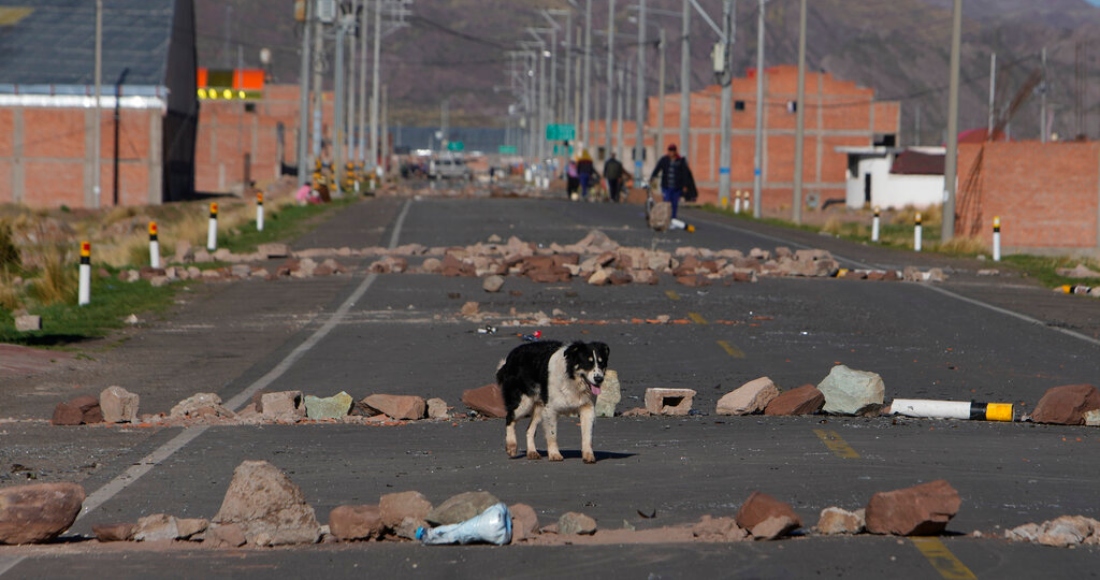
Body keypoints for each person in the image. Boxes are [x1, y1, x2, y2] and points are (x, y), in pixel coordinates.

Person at [649, 143, 696, 219]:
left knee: (674, 204)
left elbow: (685, 174)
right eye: (670, 151)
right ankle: (666, 218)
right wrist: (652, 177)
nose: (671, 152)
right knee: (666, 202)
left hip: (677, 187)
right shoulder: (664, 160)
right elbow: (657, 169)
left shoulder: (680, 161)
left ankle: (673, 219)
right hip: (666, 186)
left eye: (673, 151)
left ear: (675, 152)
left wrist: (685, 185)